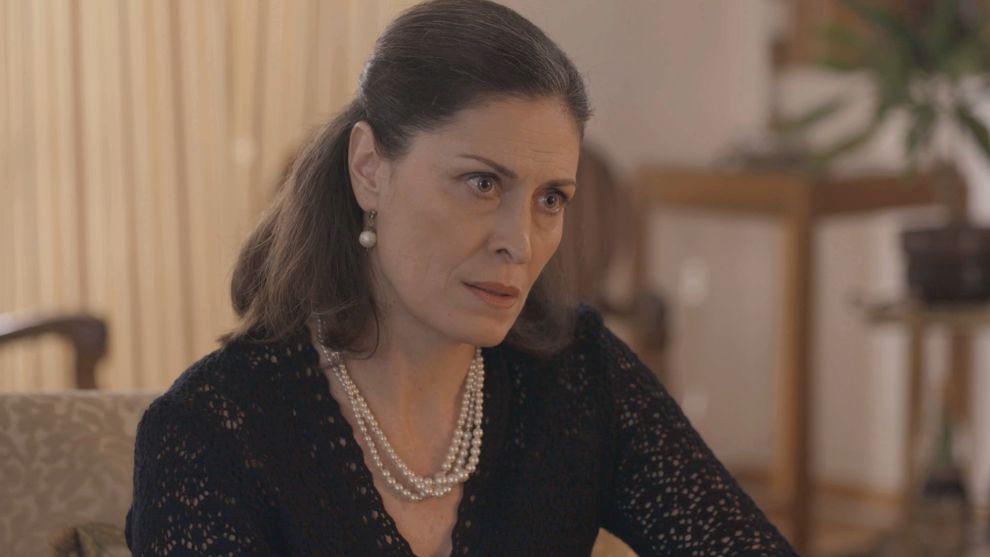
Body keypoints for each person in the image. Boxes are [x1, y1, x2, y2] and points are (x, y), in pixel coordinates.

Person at [125, 1, 798, 555]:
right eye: (482, 183)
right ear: (369, 168)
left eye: (551, 198)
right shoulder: (211, 431)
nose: (520, 242)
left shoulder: (580, 376)